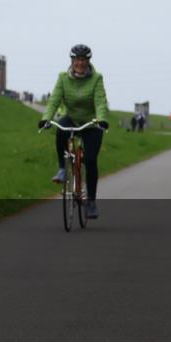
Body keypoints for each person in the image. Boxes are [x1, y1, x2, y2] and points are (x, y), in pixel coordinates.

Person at [39, 44, 110, 219]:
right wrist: (46, 119)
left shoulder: (96, 78)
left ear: (88, 61)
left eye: (83, 60)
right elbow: (54, 99)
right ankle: (62, 169)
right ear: (72, 61)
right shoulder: (63, 78)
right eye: (77, 59)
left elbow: (100, 101)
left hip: (91, 123)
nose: (80, 63)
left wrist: (102, 120)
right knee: (60, 129)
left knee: (91, 160)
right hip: (70, 117)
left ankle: (91, 202)